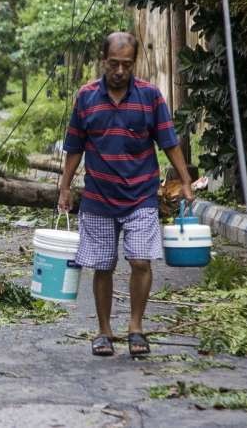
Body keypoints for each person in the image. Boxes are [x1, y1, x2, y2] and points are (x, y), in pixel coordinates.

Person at [58, 31, 194, 357]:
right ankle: (104, 331)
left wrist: (186, 181)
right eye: (114, 64)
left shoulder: (150, 96)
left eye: (126, 65)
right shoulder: (86, 97)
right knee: (102, 265)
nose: (120, 71)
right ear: (103, 60)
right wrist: (64, 187)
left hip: (141, 195)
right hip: (98, 198)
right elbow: (74, 147)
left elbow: (169, 142)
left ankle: (136, 327)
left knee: (141, 261)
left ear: (134, 63)